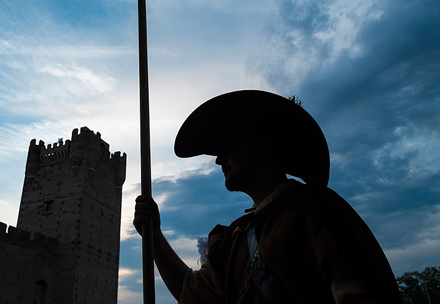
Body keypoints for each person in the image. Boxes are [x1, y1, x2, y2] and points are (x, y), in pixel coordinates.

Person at [134, 90, 402, 303]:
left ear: (261, 150)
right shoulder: (235, 239)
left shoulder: (316, 211)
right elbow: (191, 293)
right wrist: (154, 237)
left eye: (228, 147)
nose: (218, 160)